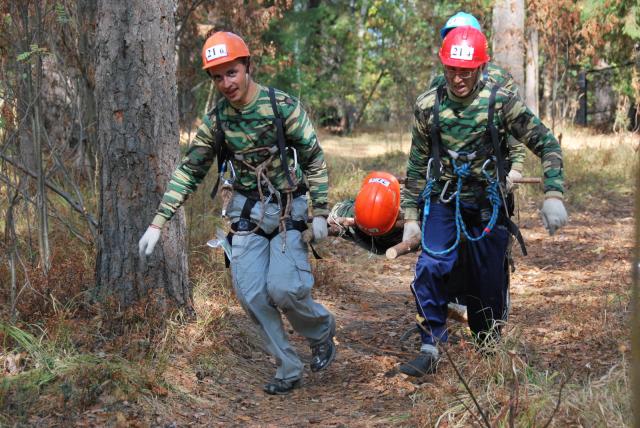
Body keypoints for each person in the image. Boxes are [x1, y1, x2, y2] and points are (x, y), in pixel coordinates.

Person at [137, 31, 336, 394]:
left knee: (284, 289)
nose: (225, 83)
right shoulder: (217, 121)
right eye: (217, 77)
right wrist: (158, 222)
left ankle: (321, 332)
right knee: (251, 295)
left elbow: (314, 159)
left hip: (290, 204)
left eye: (231, 73)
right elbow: (190, 169)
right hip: (248, 210)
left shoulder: (282, 107)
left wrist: (320, 210)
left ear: (247, 67)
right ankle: (288, 368)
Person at [398, 26, 567, 377]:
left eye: (466, 71)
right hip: (446, 199)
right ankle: (430, 342)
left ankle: (487, 344)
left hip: (489, 204)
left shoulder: (500, 101)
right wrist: (411, 215)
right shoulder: (428, 106)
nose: (458, 78)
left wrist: (553, 194)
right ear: (443, 67)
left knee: (486, 281)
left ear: (479, 68)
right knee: (431, 266)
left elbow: (547, 144)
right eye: (451, 70)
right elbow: (416, 164)